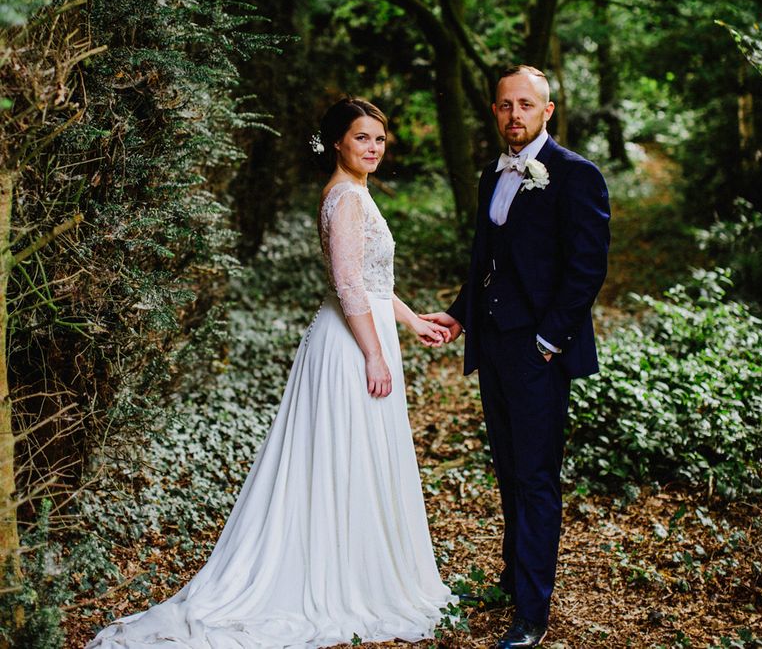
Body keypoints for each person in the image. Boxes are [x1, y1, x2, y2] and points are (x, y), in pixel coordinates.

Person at [87, 97, 455, 649]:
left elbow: (371, 280)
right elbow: (347, 287)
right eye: (362, 139)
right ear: (338, 142)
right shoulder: (345, 198)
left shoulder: (354, 194)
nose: (373, 149)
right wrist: (376, 354)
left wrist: (410, 319)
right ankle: (341, 580)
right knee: (341, 457)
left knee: (358, 457)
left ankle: (359, 568)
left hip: (366, 333)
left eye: (379, 140)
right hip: (352, 345)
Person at [422, 65, 610, 648]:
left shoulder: (577, 175)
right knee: (508, 471)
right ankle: (511, 581)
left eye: (525, 105)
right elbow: (489, 259)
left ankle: (532, 613)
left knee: (535, 479)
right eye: (505, 105)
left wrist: (547, 343)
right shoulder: (490, 175)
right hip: (494, 345)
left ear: (547, 111)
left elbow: (586, 269)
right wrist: (460, 313)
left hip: (539, 353)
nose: (513, 115)